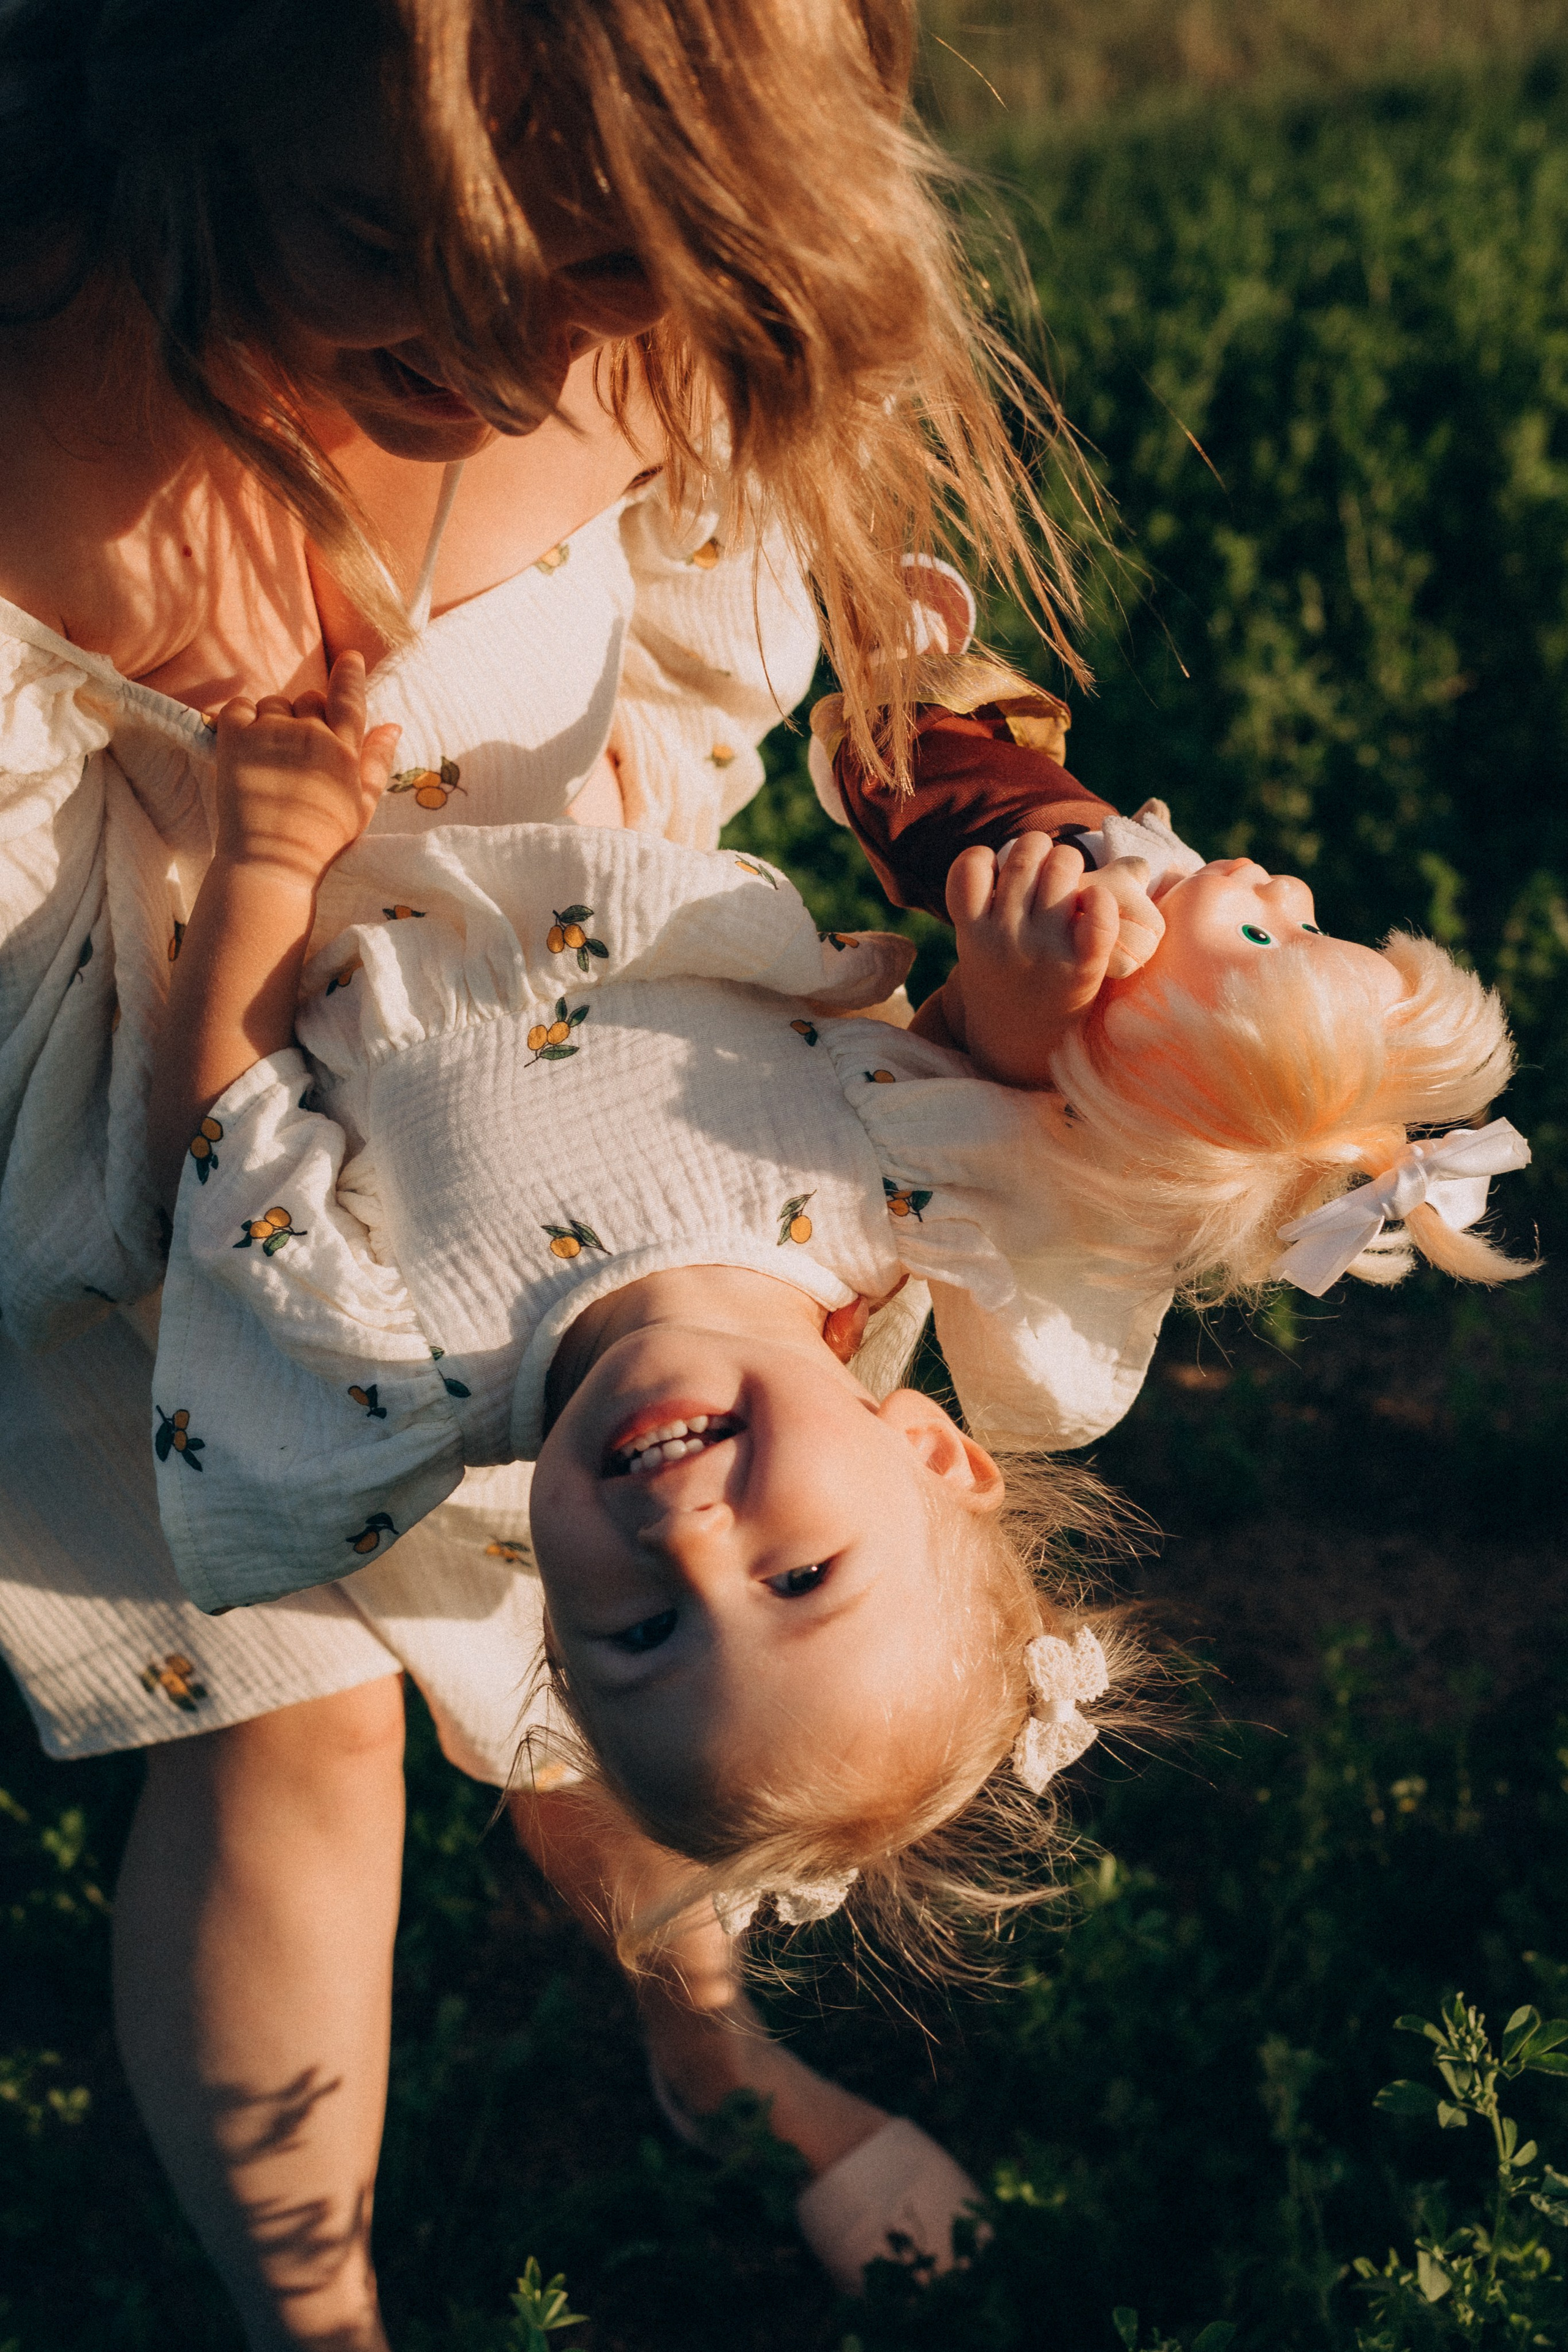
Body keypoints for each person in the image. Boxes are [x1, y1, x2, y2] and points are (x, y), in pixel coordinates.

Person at [0, 0, 1082, 2335]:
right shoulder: (49, 357)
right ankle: (322, 2317)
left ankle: (705, 2035)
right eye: (385, 246)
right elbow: (198, 1159)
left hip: (474, 1019)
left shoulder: (685, 286)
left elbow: (899, 699)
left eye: (587, 284)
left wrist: (1011, 842)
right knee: (298, 1743)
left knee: (585, 1648)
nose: (494, 374)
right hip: (134, 1197)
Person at [146, 653, 1160, 1973]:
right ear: (929, 1452)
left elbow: (222, 1144)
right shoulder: (891, 1201)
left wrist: (268, 862)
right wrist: (1015, 1001)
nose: (684, 1544)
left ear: (555, 1631)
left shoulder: (405, 1359)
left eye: (639, 1632)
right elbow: (971, 1056)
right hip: (570, 713)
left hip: (311, 780)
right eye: (798, 1578)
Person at [810, 581, 1537, 1303]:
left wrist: (1022, 1018)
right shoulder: (1166, 917)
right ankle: (908, 656)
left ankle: (886, 668)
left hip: (916, 776)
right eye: (1314, 928)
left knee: (908, 724)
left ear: (1137, 1033)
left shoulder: (1066, 988)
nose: (1291, 893)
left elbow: (946, 1066)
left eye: (1262, 937)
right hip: (1017, 769)